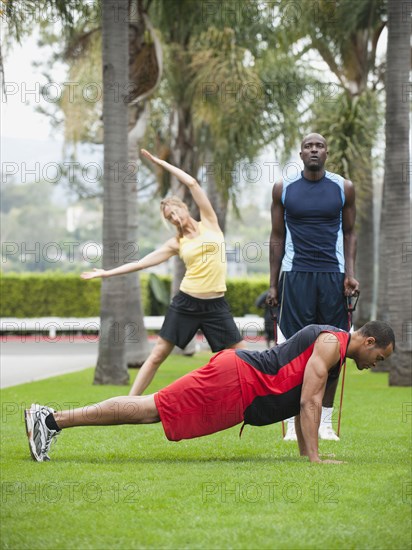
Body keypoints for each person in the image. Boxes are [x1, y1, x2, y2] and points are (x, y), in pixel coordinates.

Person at [24, 321, 394, 464]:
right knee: (151, 409)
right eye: (381, 356)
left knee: (152, 410)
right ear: (370, 341)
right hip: (236, 381)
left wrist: (305, 454)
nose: (379, 362)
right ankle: (51, 419)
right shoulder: (331, 343)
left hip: (239, 386)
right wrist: (315, 461)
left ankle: (52, 420)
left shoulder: (337, 353)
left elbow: (302, 402)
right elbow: (308, 401)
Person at [81, 149, 244, 396]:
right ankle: (130, 402)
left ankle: (264, 395)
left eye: (176, 210)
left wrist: (161, 163)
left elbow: (191, 182)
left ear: (186, 208)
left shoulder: (210, 223)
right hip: (187, 303)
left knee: (241, 354)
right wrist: (106, 273)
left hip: (216, 305)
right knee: (158, 354)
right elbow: (141, 263)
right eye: (170, 216)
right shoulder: (176, 243)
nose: (175, 217)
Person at [267, 133, 360, 441]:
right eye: (309, 146)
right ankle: (296, 425)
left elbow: (349, 233)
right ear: (301, 153)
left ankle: (326, 424)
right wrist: (273, 284)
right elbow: (277, 237)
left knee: (334, 349)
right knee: (294, 352)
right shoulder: (284, 189)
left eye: (319, 146)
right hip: (295, 277)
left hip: (333, 277)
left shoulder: (343, 187)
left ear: (327, 152)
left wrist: (350, 274)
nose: (314, 150)